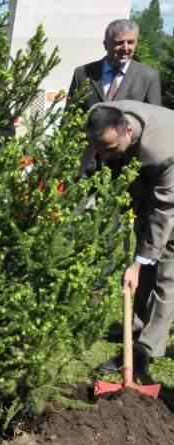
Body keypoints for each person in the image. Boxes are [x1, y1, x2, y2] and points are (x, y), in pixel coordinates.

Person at [85, 100, 174, 377]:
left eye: (112, 149)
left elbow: (164, 212)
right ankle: (135, 327)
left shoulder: (161, 150)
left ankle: (145, 350)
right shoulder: (101, 114)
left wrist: (138, 263)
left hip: (170, 199)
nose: (106, 156)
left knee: (166, 271)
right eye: (101, 149)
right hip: (152, 189)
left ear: (129, 132)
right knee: (144, 261)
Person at [67, 19, 161, 177]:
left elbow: (153, 126)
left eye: (130, 42)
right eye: (119, 43)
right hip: (84, 164)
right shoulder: (83, 74)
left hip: (125, 166)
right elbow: (69, 116)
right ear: (106, 45)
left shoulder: (148, 77)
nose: (125, 48)